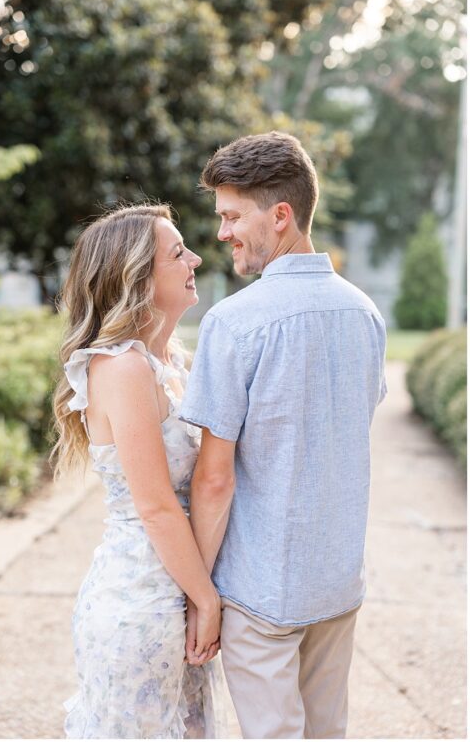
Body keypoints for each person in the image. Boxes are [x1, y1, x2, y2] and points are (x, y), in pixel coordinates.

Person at [180, 132, 387, 738]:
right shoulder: (365, 313)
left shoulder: (233, 322)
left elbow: (214, 480)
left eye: (231, 216)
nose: (222, 234)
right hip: (337, 580)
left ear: (281, 215)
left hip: (261, 588)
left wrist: (201, 594)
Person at [54, 204, 228, 738]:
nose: (195, 258)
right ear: (137, 277)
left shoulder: (174, 361)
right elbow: (154, 506)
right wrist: (206, 599)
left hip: (179, 589)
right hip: (140, 605)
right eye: (178, 253)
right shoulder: (121, 368)